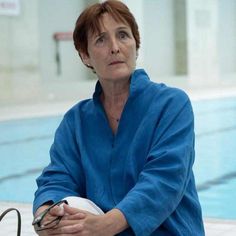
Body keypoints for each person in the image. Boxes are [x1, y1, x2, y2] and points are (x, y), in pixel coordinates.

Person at [32, 0, 205, 235]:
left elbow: (164, 179)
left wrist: (107, 225)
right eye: (101, 40)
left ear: (135, 45)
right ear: (85, 56)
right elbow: (59, 177)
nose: (115, 47)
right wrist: (46, 213)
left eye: (123, 35)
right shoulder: (76, 122)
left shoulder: (171, 104)